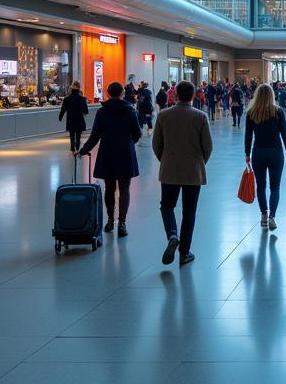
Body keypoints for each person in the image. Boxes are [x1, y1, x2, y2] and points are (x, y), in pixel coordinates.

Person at [152, 80, 213, 267]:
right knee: (189, 212)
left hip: (170, 168)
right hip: (193, 170)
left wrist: (166, 160)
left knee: (167, 206)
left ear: (175, 95)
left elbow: (156, 144)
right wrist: (199, 162)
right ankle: (184, 252)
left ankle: (172, 234)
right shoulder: (200, 116)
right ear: (193, 95)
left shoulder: (164, 116)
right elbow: (208, 147)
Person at [78, 81, 142, 237]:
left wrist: (82, 151)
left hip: (108, 153)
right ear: (122, 93)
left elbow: (95, 135)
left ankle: (109, 221)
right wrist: (127, 142)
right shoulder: (130, 110)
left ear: (107, 93)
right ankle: (122, 223)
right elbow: (137, 133)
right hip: (125, 153)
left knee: (110, 188)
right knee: (125, 189)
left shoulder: (102, 111)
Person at [244, 83, 286, 230]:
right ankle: (272, 216)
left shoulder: (251, 112)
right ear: (272, 95)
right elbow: (284, 133)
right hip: (275, 152)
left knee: (261, 186)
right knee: (275, 187)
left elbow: (248, 135)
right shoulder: (278, 111)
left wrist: (247, 154)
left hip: (258, 152)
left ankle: (263, 214)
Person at [59, 81, 90, 152]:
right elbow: (86, 111)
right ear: (79, 89)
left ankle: (72, 147)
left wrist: (60, 117)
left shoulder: (67, 99)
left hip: (70, 119)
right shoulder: (82, 99)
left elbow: (63, 109)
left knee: (72, 135)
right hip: (79, 119)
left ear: (71, 88)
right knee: (78, 136)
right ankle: (77, 147)